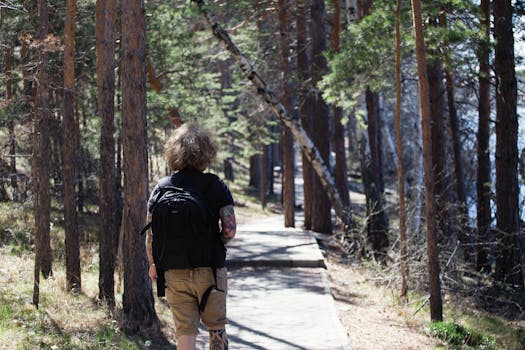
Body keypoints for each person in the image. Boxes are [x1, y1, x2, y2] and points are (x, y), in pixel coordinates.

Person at [145, 123, 236, 350]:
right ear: (207, 152)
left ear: (173, 152)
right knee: (217, 329)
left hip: (174, 272)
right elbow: (229, 229)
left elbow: (151, 233)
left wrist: (153, 263)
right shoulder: (215, 186)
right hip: (210, 271)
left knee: (185, 335)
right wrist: (215, 243)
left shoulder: (162, 187)